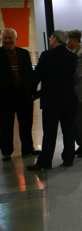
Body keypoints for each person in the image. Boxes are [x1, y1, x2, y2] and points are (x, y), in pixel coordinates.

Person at [27, 30, 79, 171]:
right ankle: (68, 159)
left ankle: (45, 162)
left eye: (51, 38)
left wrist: (31, 93)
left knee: (50, 133)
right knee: (69, 131)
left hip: (52, 100)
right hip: (70, 99)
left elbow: (38, 75)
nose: (50, 40)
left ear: (55, 39)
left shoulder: (47, 55)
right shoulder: (72, 56)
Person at [0, 28, 41, 161]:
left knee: (26, 123)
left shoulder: (24, 53)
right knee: (5, 125)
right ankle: (6, 152)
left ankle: (28, 149)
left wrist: (32, 92)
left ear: (16, 39)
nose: (7, 40)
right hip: (5, 97)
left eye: (10, 38)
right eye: (4, 38)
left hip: (24, 95)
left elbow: (29, 74)